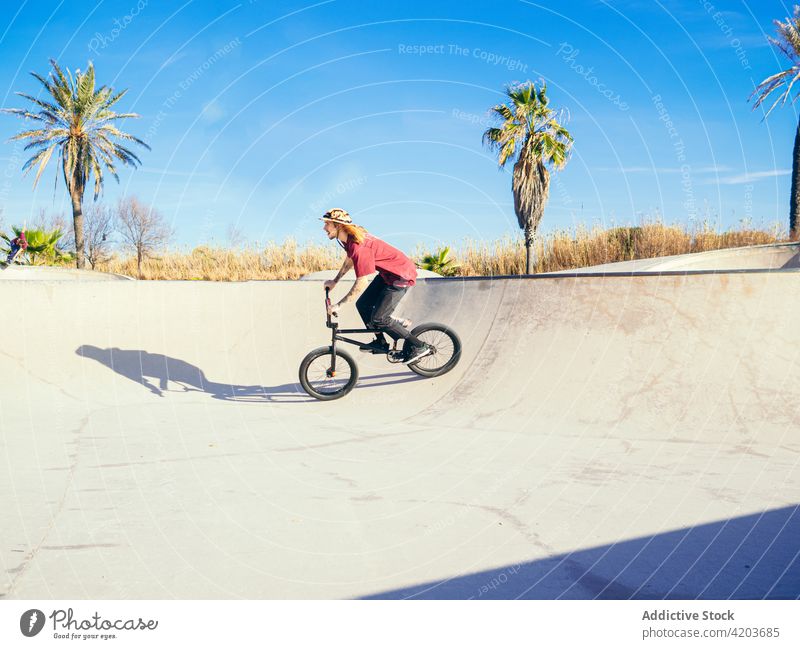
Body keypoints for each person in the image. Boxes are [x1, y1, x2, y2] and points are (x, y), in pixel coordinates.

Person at [321, 208, 433, 364]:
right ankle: (380, 341)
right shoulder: (350, 240)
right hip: (388, 274)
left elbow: (361, 282)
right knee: (363, 305)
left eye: (327, 224)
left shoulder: (360, 247)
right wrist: (335, 280)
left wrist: (339, 305)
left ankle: (419, 346)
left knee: (380, 318)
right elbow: (350, 260)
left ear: (338, 225)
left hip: (401, 275)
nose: (324, 228)